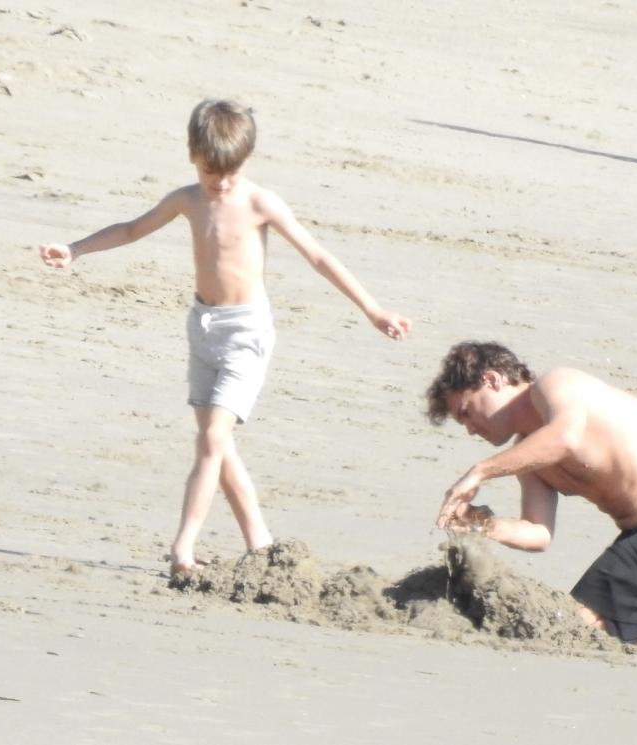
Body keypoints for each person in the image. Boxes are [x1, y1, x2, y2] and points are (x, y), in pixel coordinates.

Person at [41, 99, 411, 574]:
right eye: (212, 170)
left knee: (213, 438)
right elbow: (133, 229)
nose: (222, 181)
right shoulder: (186, 200)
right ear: (193, 155)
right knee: (217, 444)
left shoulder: (260, 202)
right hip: (203, 327)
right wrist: (75, 249)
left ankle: (183, 549)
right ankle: (260, 543)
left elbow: (318, 257)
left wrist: (372, 309)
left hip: (247, 332)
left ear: (247, 160)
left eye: (230, 171)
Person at [426, 341, 637, 658]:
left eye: (466, 412)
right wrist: (483, 525)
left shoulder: (556, 384)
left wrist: (480, 471)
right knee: (579, 625)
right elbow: (538, 533)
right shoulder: (528, 454)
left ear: (492, 380)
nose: (469, 429)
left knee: (578, 628)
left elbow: (565, 438)